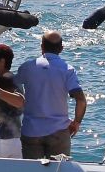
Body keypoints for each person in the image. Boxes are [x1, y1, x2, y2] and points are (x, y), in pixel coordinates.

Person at [16, 31, 87, 159]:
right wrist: (76, 122)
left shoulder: (27, 67)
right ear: (61, 48)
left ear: (42, 46)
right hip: (58, 131)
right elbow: (81, 100)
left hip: (31, 131)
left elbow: (13, 87)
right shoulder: (67, 70)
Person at [0, 43, 24, 159]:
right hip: (10, 137)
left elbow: (20, 101)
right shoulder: (6, 79)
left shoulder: (10, 79)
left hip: (7, 140)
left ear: (2, 61)